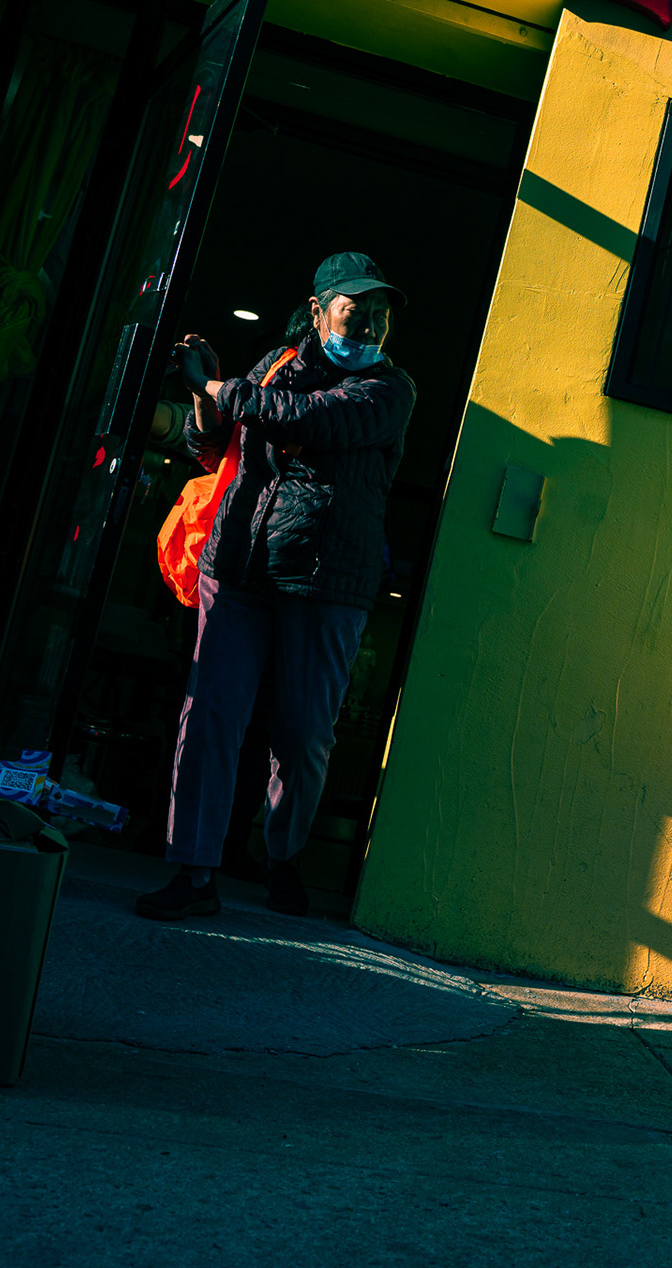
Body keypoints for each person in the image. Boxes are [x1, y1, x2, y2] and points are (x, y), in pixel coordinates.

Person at [136, 252, 416, 921]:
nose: (369, 325)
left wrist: (217, 385)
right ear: (318, 311)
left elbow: (311, 420)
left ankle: (281, 856)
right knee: (208, 717)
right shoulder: (273, 365)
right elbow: (215, 449)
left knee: (303, 734)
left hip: (329, 585)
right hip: (237, 568)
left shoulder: (390, 390)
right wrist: (204, 399)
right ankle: (194, 871)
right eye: (355, 310)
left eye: (380, 314)